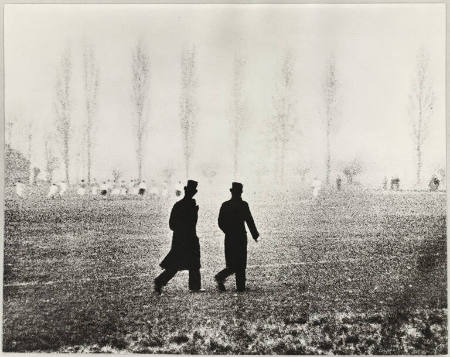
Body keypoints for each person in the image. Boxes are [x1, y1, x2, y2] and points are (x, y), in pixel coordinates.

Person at [154, 180, 203, 294]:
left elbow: (172, 225)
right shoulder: (192, 206)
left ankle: (160, 281)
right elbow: (192, 224)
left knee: (176, 263)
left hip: (179, 238)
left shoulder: (178, 205)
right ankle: (195, 286)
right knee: (194, 263)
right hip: (190, 238)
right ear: (194, 192)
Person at [214, 182, 259, 292]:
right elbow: (249, 220)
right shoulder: (244, 205)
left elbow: (220, 222)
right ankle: (240, 286)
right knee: (241, 263)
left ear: (231, 191)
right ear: (241, 192)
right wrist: (255, 234)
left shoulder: (225, 205)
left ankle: (221, 277)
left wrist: (228, 231)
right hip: (241, 236)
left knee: (231, 263)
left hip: (230, 237)